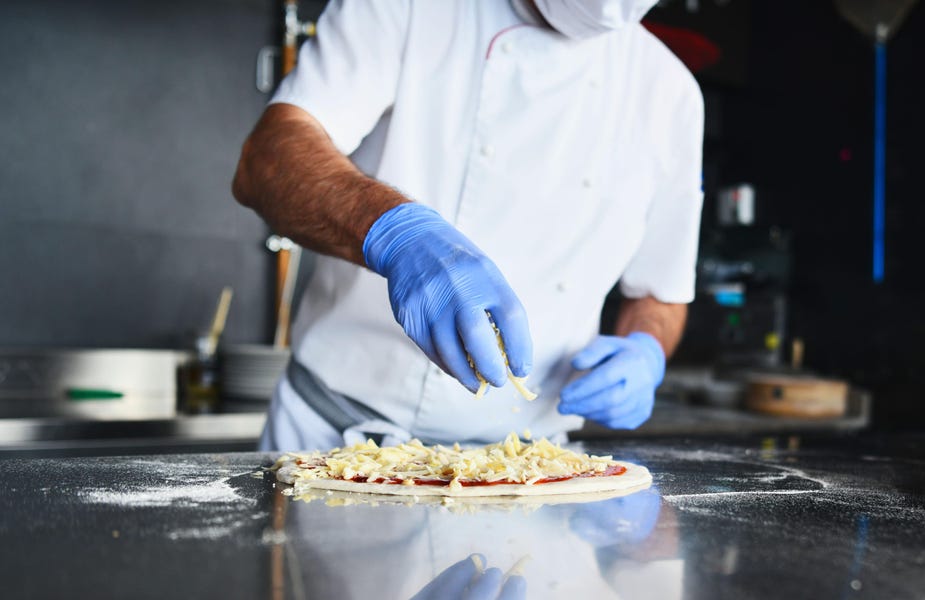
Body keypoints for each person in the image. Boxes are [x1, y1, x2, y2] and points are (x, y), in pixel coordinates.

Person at [233, 0, 704, 451]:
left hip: (530, 470)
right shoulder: (411, 7)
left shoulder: (671, 95)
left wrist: (645, 348)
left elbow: (660, 293)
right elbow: (267, 161)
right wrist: (397, 233)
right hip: (336, 436)